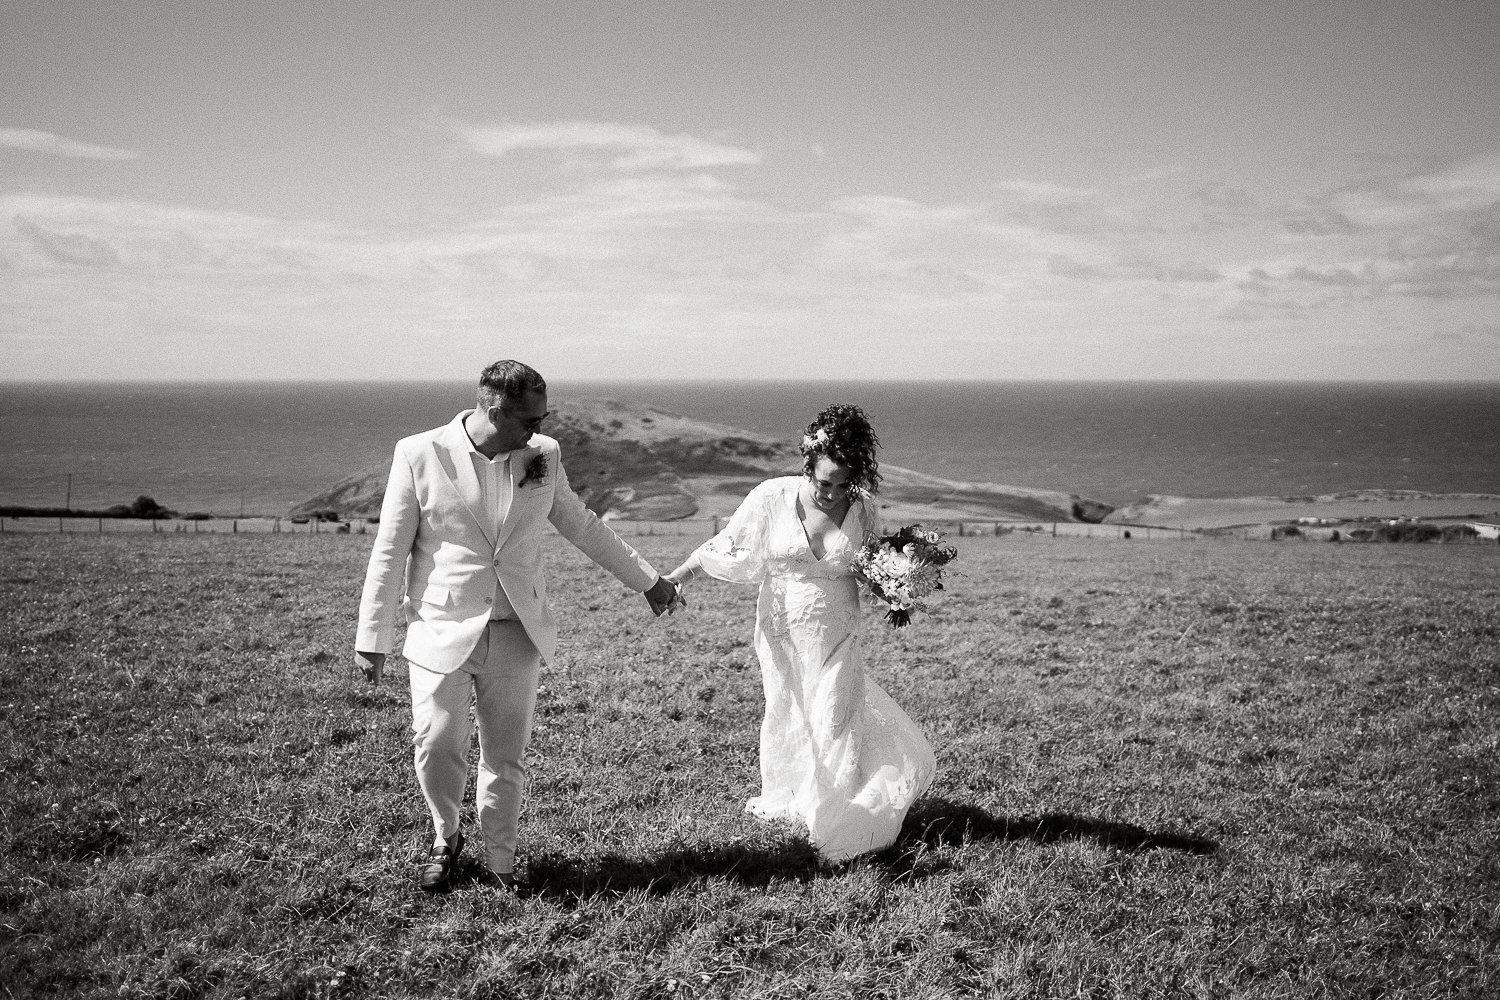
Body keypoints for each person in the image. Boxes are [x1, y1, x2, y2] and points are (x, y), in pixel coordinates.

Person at [355, 360, 680, 892]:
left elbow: (581, 523)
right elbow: (389, 551)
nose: (540, 427)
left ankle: (502, 861)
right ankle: (446, 835)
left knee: (505, 754)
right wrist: (372, 637)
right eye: (530, 418)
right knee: (437, 743)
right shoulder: (418, 453)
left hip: (516, 628)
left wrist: (648, 580)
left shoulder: (543, 455)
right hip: (440, 626)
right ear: (492, 409)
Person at [664, 404, 935, 861]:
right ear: (806, 467)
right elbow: (728, 544)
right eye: (822, 482)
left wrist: (896, 585)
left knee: (834, 712)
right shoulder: (771, 496)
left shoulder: (864, 509)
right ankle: (790, 796)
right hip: (782, 627)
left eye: (841, 484)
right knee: (789, 707)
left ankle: (833, 809)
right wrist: (676, 578)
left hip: (838, 627)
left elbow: (867, 565)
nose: (830, 494)